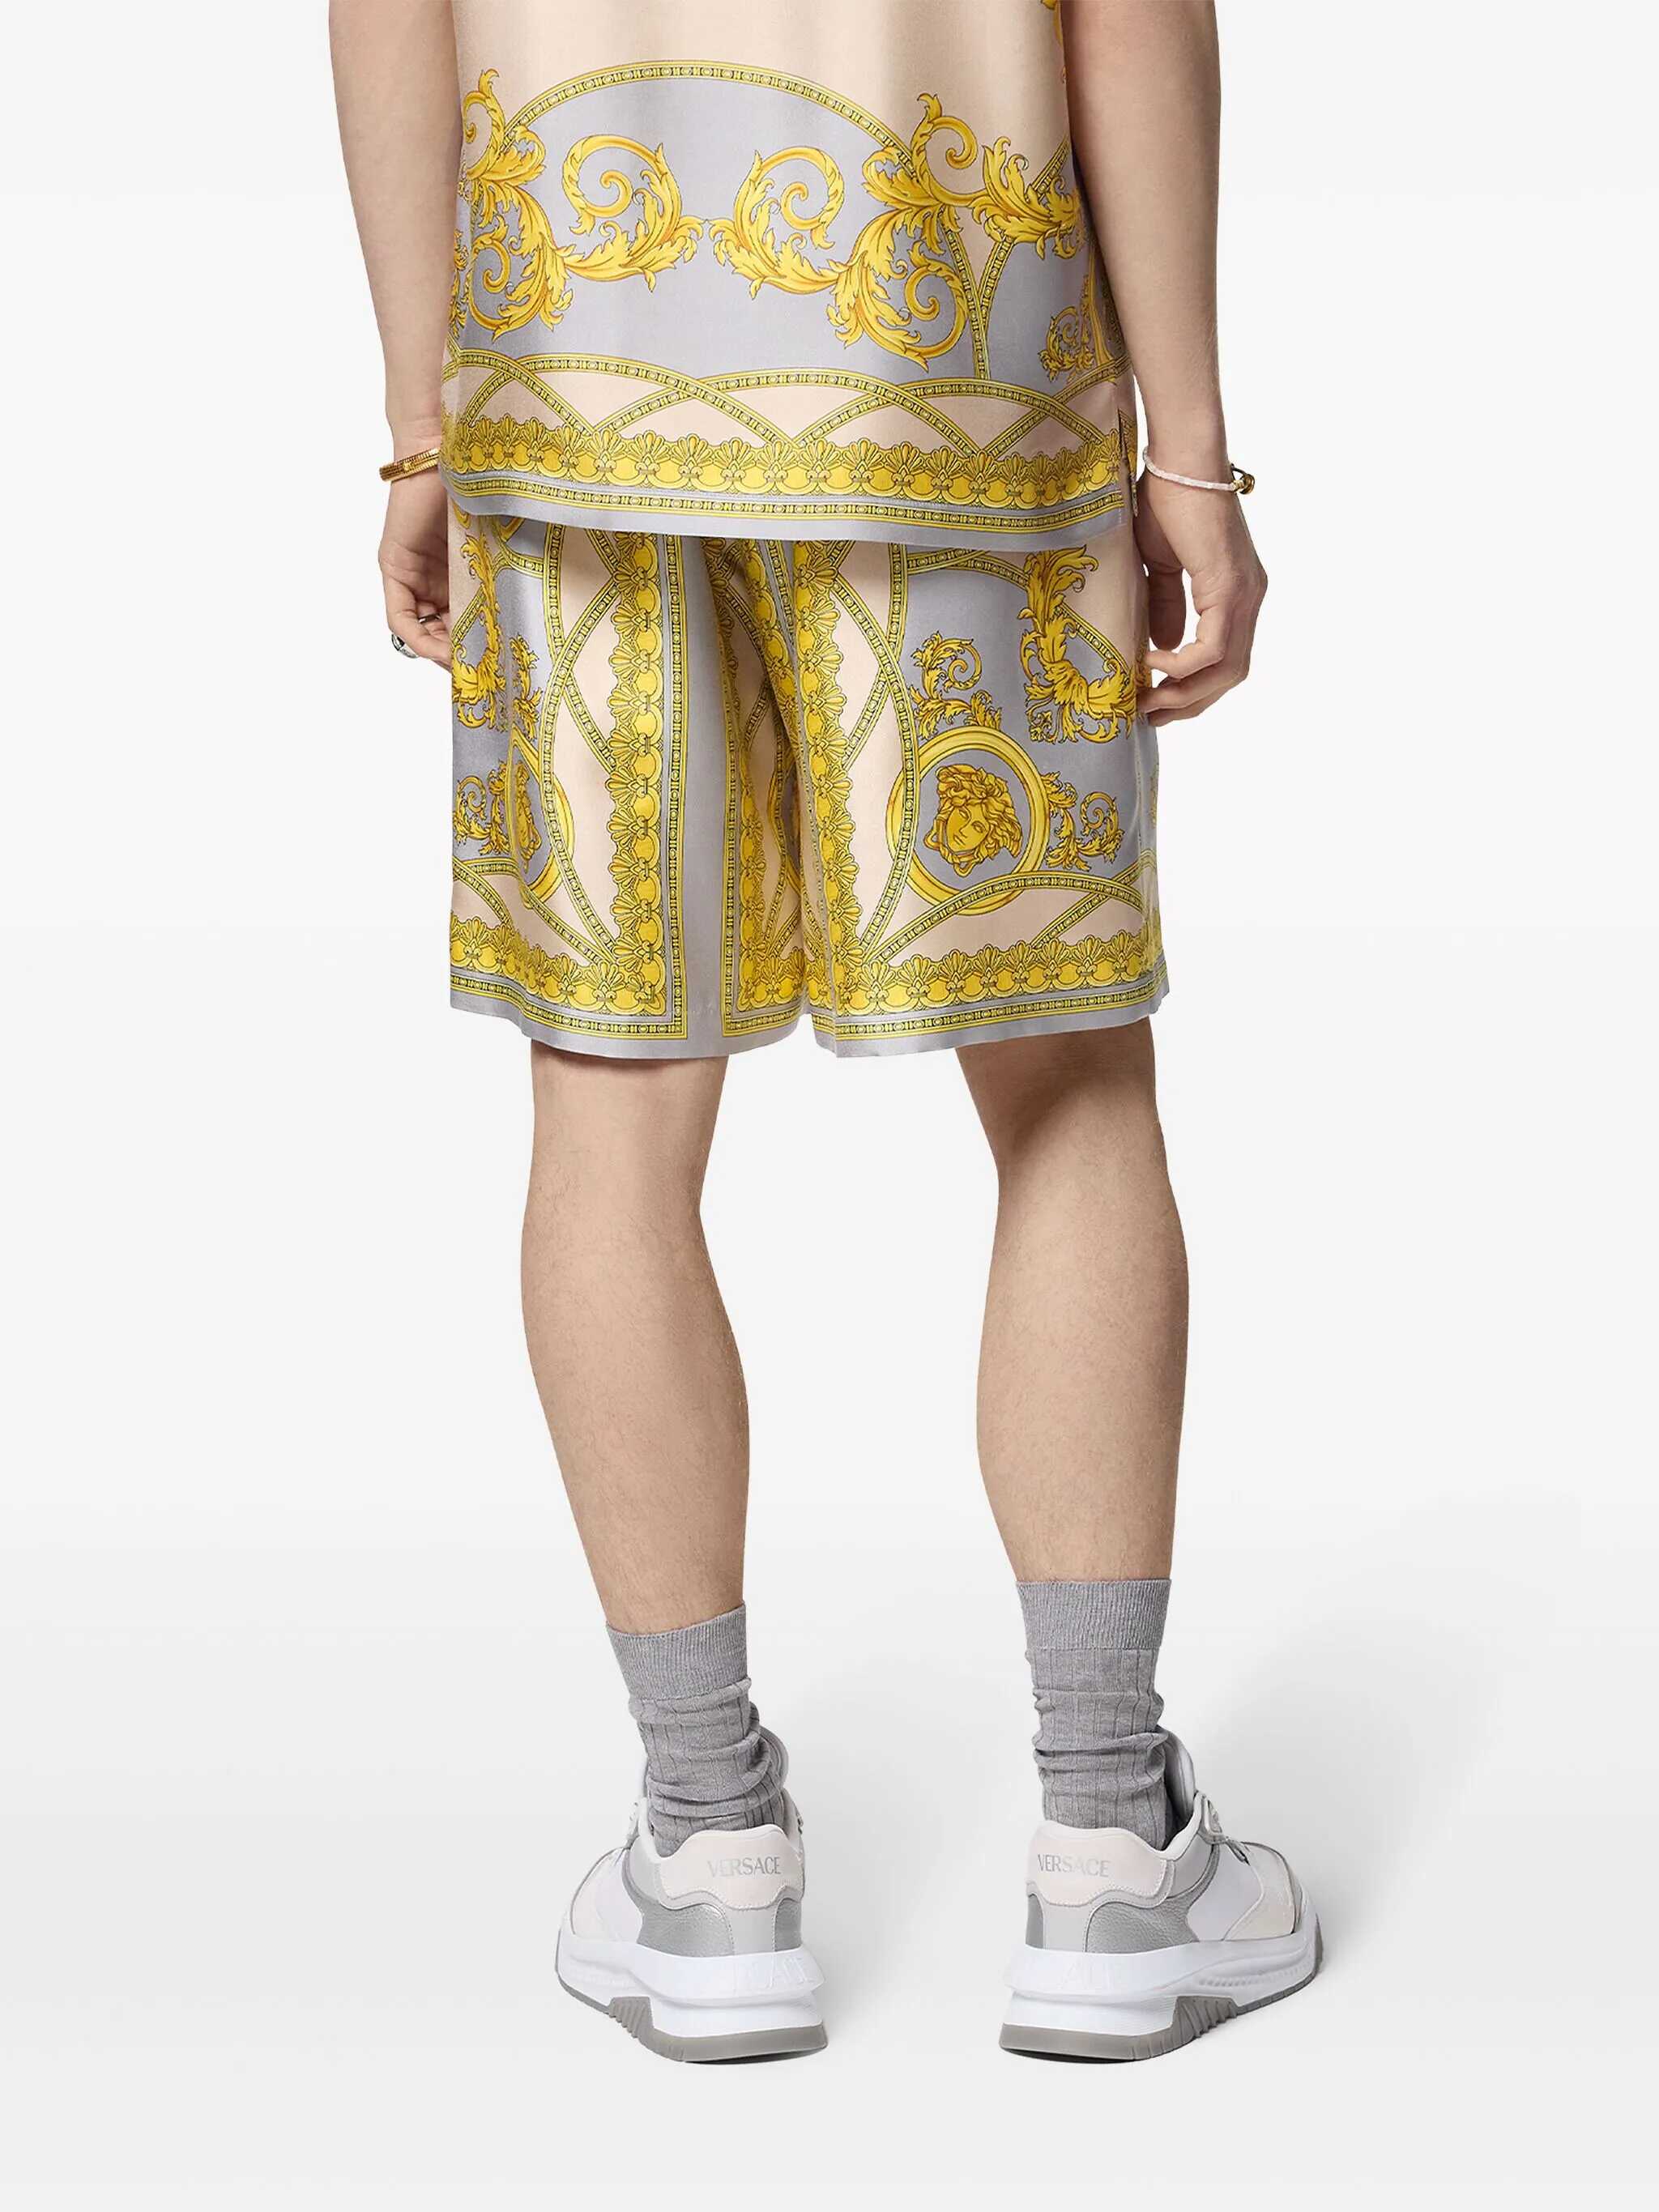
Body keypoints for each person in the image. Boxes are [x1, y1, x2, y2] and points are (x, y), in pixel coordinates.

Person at [331, 0, 1317, 2064]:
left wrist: (425, 424)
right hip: (955, 379)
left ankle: (707, 1862)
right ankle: (1109, 1848)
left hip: (569, 399)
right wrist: (1192, 453)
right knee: (1065, 1085)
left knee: (609, 1108)